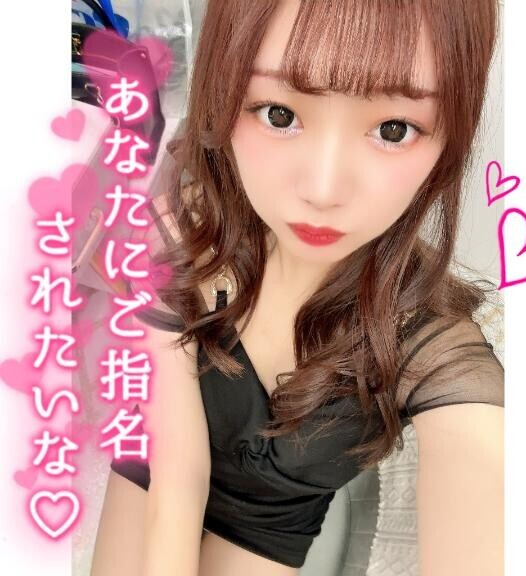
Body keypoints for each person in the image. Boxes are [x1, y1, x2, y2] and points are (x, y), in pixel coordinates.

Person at [90, 1, 504, 575]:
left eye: (393, 129)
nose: (323, 189)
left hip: (267, 530)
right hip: (154, 472)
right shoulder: (180, 231)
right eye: (279, 114)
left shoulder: (431, 349)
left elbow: (481, 456)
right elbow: (176, 478)